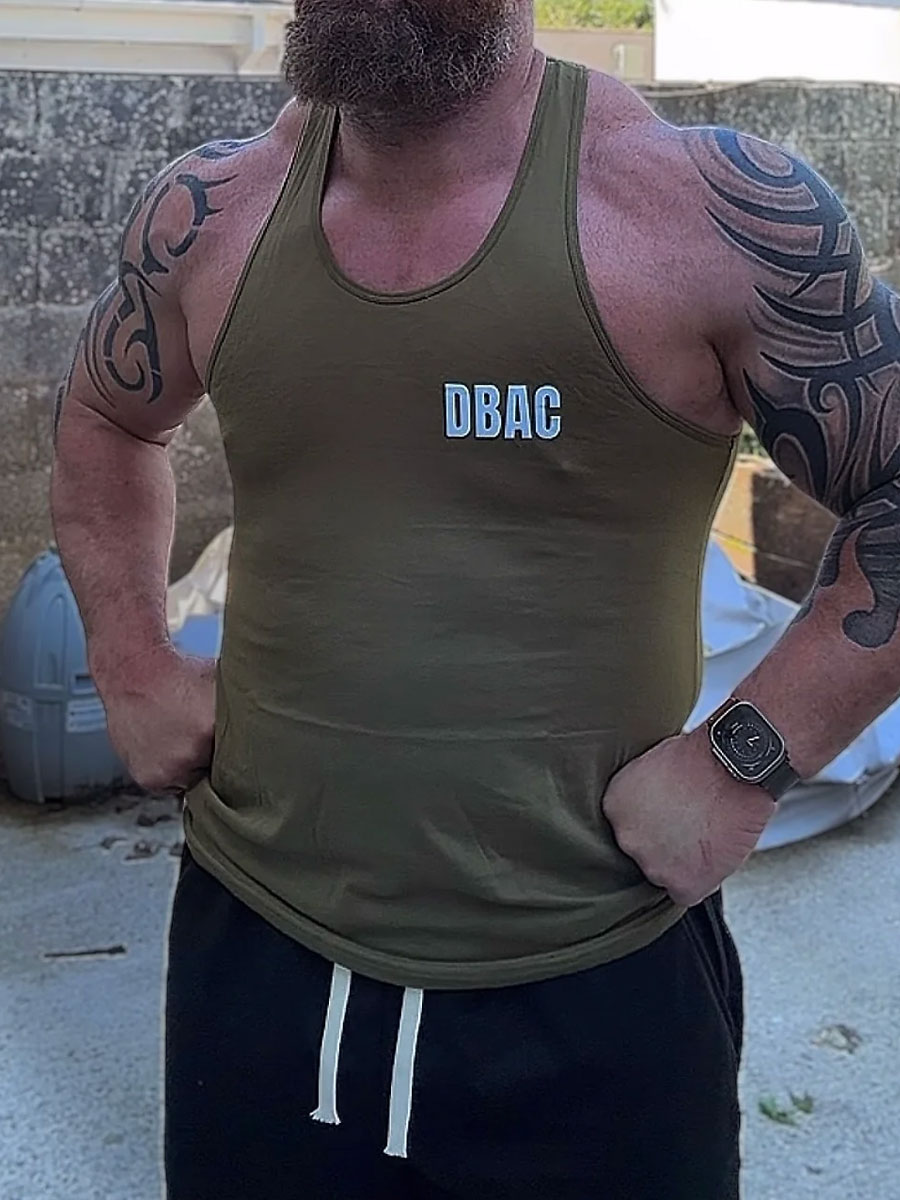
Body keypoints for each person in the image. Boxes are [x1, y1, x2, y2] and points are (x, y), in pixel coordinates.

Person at [50, 2, 900, 1197]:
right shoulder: (216, 210)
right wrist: (130, 660)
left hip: (596, 980)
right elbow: (106, 416)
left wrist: (745, 762)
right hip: (259, 961)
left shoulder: (702, 213)